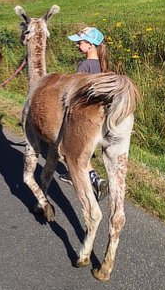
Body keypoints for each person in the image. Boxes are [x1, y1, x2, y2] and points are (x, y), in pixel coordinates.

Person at [59, 26, 109, 201]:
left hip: (83, 113)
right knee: (84, 152)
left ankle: (95, 180)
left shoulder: (84, 65)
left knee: (72, 148)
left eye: (80, 42)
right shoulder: (102, 65)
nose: (77, 45)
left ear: (90, 46)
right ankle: (73, 173)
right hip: (98, 114)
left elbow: (75, 91)